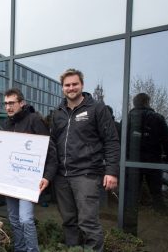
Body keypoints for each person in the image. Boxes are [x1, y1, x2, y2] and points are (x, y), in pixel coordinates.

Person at [51, 69, 119, 251]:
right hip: (62, 176)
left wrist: (111, 171)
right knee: (68, 221)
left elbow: (111, 140)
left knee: (88, 222)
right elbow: (51, 143)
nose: (71, 88)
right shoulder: (58, 112)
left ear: (82, 85)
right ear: (62, 88)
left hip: (86, 175)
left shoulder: (97, 109)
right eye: (67, 85)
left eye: (75, 84)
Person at [3, 88, 58, 252]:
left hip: (28, 181)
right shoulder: (7, 124)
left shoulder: (34, 120)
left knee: (25, 219)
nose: (8, 107)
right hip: (10, 180)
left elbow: (50, 151)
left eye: (11, 103)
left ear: (22, 103)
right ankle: (19, 248)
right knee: (13, 219)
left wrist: (47, 177)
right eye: (6, 104)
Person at [124, 93, 168, 235]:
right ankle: (162, 221)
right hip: (153, 161)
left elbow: (122, 140)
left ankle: (129, 221)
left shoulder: (128, 118)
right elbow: (167, 140)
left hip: (133, 162)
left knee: (132, 192)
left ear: (135, 103)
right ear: (147, 102)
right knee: (156, 193)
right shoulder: (157, 118)